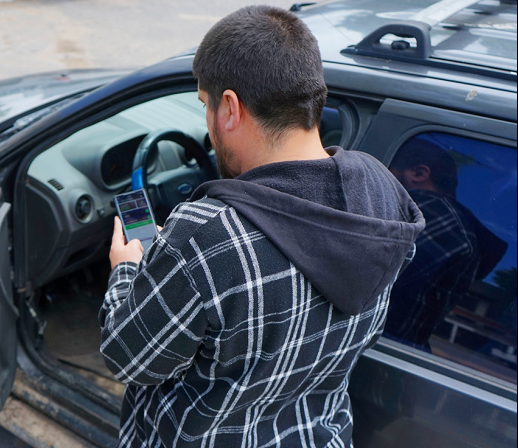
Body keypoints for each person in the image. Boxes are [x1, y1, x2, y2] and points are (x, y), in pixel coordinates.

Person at [99, 5, 425, 447]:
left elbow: (130, 357)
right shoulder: (383, 195)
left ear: (229, 108)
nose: (209, 126)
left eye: (205, 105)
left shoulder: (207, 235)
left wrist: (128, 270)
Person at [385, 139, 507, 351]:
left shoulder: (430, 219)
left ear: (419, 174)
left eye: (388, 172)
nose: (378, 183)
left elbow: (356, 284)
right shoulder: (452, 226)